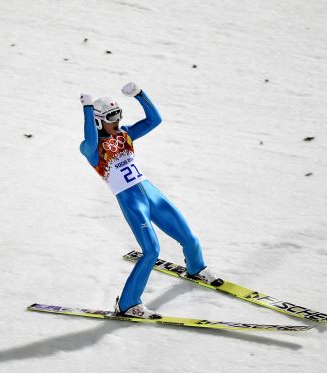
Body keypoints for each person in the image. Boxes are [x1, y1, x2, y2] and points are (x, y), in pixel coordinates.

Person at [78, 82, 223, 320]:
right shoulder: (90, 149)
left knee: (189, 237)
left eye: (118, 115)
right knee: (151, 251)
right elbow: (91, 140)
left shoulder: (125, 134)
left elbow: (155, 120)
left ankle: (196, 268)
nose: (116, 121)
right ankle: (127, 304)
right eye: (110, 118)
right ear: (96, 121)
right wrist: (86, 108)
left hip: (151, 192)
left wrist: (140, 95)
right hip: (132, 201)